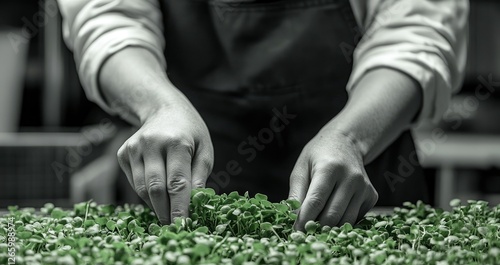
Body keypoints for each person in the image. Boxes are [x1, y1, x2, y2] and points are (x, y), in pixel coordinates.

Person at [58, 0, 468, 229]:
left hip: (361, 171)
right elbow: (107, 18)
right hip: (180, 171)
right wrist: (159, 106)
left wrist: (350, 138)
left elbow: (418, 33)